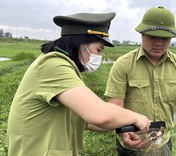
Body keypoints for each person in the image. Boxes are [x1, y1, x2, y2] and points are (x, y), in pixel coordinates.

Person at [7, 12, 151, 156]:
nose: (98, 56)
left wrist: (122, 126)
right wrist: (136, 117)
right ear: (80, 43)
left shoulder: (64, 67)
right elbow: (99, 114)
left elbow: (85, 119)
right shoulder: (53, 66)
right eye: (98, 49)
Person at [104, 6, 176, 156]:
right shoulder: (123, 64)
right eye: (153, 37)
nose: (159, 43)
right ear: (142, 34)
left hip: (163, 141)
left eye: (165, 38)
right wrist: (122, 131)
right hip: (132, 141)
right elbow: (114, 108)